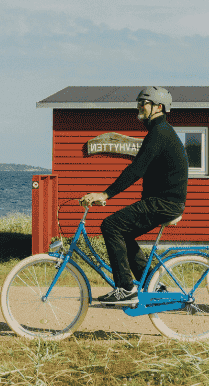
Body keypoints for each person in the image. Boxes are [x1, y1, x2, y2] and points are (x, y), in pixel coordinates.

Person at [79, 86, 189, 304]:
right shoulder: (159, 132)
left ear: (158, 107)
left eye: (143, 103)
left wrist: (106, 194)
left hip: (163, 203)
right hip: (164, 202)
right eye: (139, 103)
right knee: (124, 232)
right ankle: (152, 285)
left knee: (111, 226)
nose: (139, 107)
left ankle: (125, 288)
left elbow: (136, 169)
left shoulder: (160, 133)